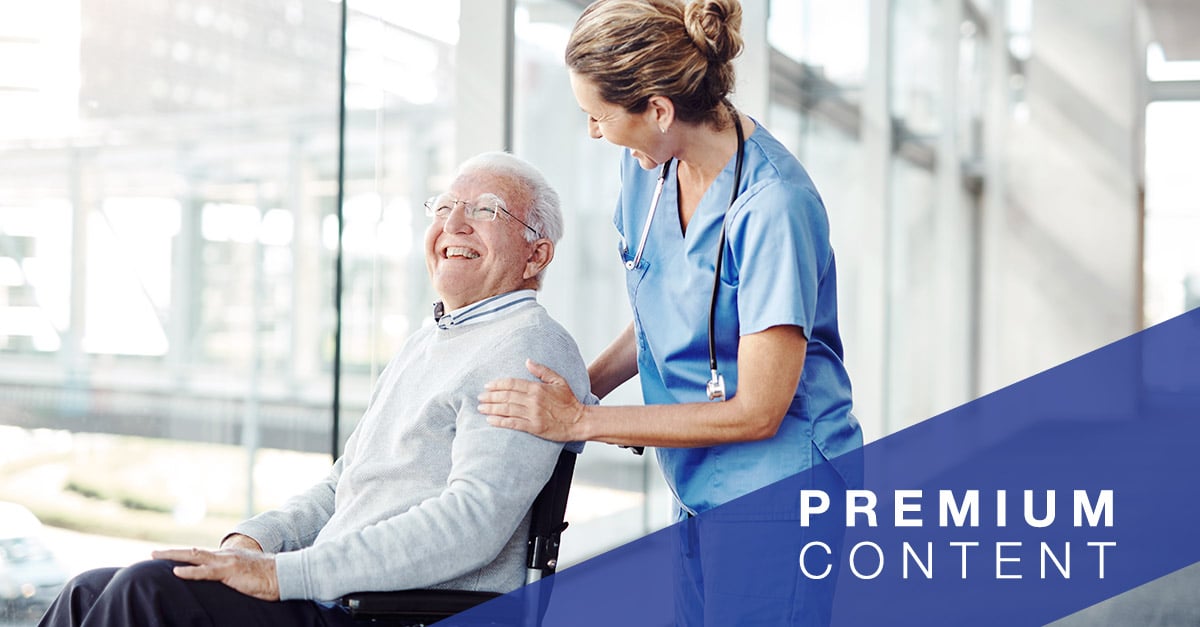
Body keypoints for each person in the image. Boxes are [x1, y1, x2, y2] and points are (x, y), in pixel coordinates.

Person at [39, 152, 591, 627]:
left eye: (486, 210)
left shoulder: (528, 348)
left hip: (388, 611)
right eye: (445, 207)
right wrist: (253, 544)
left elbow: (471, 523)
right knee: (87, 590)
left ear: (535, 256)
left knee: (146, 590)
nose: (455, 224)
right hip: (338, 597)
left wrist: (284, 575)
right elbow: (339, 489)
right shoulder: (432, 341)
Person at [477, 0, 862, 623]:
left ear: (658, 109)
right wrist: (580, 387)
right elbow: (666, 309)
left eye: (598, 117)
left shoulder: (773, 208)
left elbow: (759, 411)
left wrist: (580, 421)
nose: (594, 133)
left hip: (780, 486)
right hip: (698, 477)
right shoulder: (649, 170)